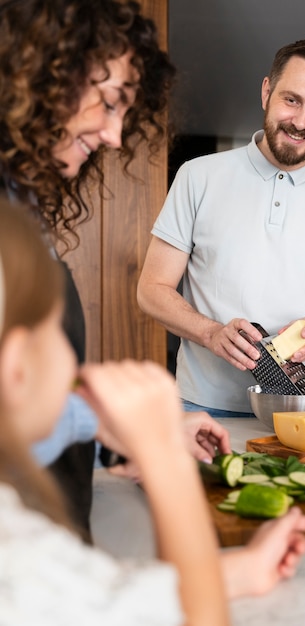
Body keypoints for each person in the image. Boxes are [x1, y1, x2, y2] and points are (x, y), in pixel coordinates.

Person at [0, 196, 305, 624]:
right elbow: (200, 619)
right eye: (57, 328)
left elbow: (96, 598)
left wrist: (234, 573)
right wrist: (164, 459)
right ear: (16, 368)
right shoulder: (17, 551)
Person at [0, 0, 179, 539]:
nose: (115, 136)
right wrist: (153, 448)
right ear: (42, 76)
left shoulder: (19, 208)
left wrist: (107, 429)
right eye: (109, 102)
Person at [137, 38, 305, 417]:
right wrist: (210, 333)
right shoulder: (197, 176)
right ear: (267, 91)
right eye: (291, 100)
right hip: (201, 404)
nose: (300, 122)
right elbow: (151, 289)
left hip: (302, 407)